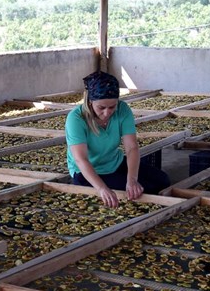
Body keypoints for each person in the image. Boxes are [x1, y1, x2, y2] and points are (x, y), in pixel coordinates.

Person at [65, 70, 171, 207]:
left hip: (114, 162)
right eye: (101, 107)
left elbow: (132, 147)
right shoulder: (76, 118)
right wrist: (102, 188)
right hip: (87, 172)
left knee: (162, 181)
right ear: (90, 101)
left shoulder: (123, 109)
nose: (107, 112)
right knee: (144, 191)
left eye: (112, 107)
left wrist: (132, 179)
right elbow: (81, 159)